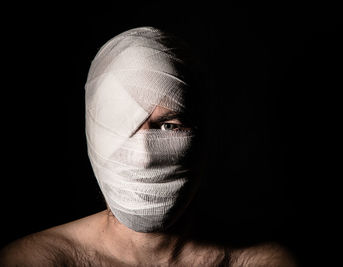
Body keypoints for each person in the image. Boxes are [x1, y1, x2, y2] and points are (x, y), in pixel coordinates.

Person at [0, 27, 296, 266]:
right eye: (122, 125)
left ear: (203, 137)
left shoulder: (261, 261)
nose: (144, 157)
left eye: (170, 126)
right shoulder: (34, 261)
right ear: (92, 131)